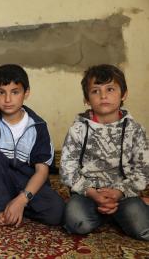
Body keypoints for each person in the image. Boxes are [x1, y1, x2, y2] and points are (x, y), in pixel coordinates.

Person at [60, 64, 149, 240]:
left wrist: (119, 192)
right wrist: (92, 193)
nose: (103, 96)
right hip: (88, 194)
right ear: (86, 99)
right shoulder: (77, 130)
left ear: (123, 94)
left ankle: (123, 210)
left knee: (142, 228)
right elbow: (67, 171)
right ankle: (107, 214)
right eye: (95, 91)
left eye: (110, 89)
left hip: (124, 195)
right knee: (75, 222)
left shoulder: (136, 130)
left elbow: (143, 171)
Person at [0, 64, 65, 227]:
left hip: (26, 181)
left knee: (56, 213)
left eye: (15, 92)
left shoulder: (37, 125)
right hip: (0, 181)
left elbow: (42, 171)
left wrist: (22, 200)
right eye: (1, 93)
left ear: (26, 93)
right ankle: (2, 205)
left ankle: (14, 205)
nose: (7, 100)